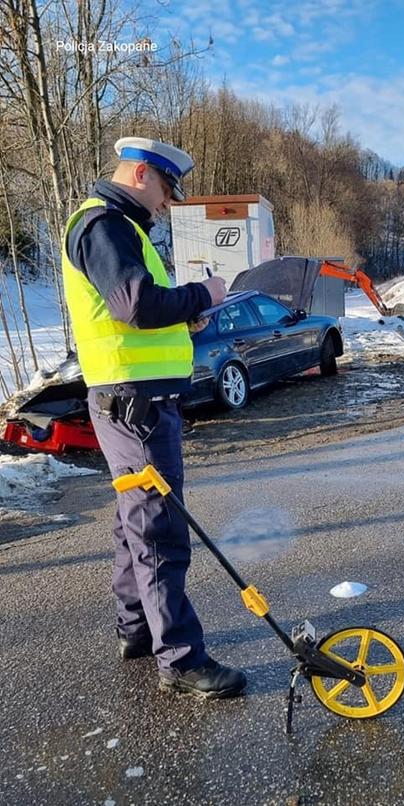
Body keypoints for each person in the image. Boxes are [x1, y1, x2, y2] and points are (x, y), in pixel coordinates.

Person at [61, 136, 246, 700]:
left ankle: (137, 631)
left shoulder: (117, 226)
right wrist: (204, 292)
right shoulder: (105, 225)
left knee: (133, 523)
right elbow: (136, 304)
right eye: (167, 189)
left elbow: (138, 313)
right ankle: (183, 661)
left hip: (134, 402)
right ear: (141, 173)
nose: (168, 203)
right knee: (160, 530)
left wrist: (184, 319)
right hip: (134, 405)